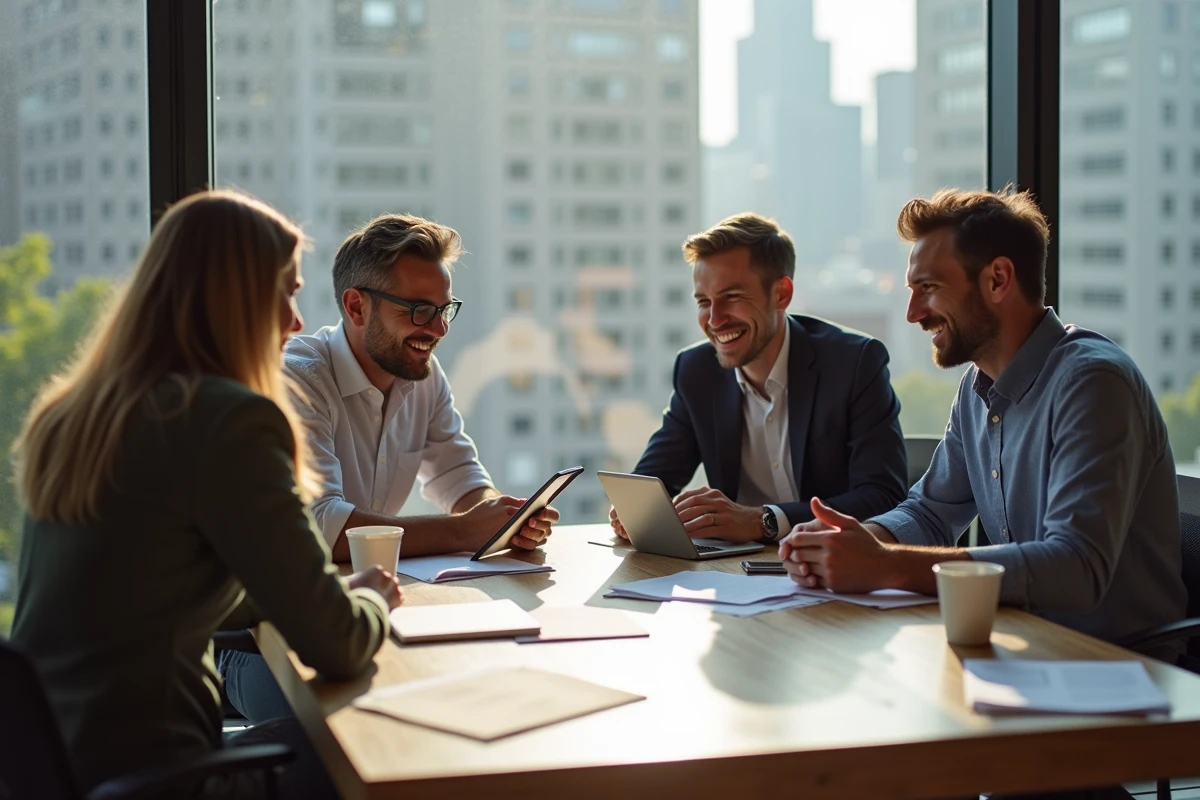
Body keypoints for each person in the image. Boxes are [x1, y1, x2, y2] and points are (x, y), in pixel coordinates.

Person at [10, 190, 401, 799]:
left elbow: (151, 585)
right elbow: (340, 647)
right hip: (163, 778)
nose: (296, 321)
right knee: (383, 746)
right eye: (287, 293)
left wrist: (310, 595)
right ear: (237, 299)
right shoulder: (225, 420)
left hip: (58, 771)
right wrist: (372, 598)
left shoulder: (74, 415)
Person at [781, 188, 1185, 657]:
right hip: (1023, 649)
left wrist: (885, 565)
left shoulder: (1093, 382)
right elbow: (929, 513)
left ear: (997, 279)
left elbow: (1077, 568)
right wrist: (854, 542)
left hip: (1118, 673)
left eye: (928, 288)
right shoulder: (978, 387)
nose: (913, 313)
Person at [218, 212, 557, 724]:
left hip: (357, 611)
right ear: (356, 306)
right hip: (261, 646)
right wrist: (462, 530)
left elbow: (460, 479)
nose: (438, 330)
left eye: (444, 310)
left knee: (480, 699)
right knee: (369, 726)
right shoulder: (298, 378)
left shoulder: (422, 372)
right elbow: (323, 527)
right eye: (420, 310)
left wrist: (504, 519)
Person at [610, 212, 908, 545]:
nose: (715, 319)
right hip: (734, 574)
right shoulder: (697, 370)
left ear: (781, 294)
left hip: (830, 568)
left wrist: (764, 520)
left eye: (732, 297)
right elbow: (653, 481)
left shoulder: (853, 363)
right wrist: (631, 511)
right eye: (703, 302)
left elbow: (883, 497)